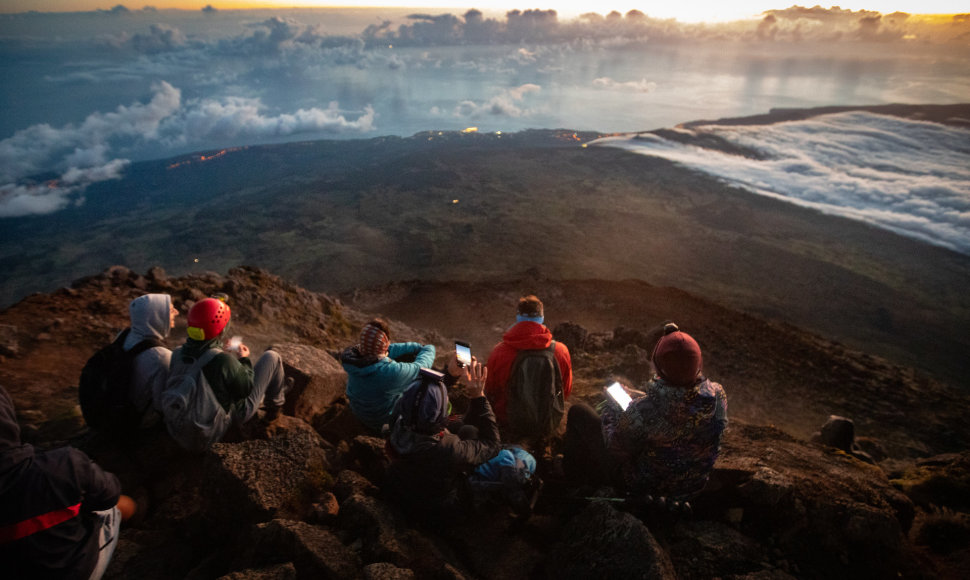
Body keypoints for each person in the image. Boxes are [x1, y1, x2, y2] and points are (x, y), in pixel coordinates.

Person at [563, 323, 728, 503]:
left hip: (645, 486)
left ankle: (574, 486)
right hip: (692, 486)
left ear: (659, 366)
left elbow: (616, 449)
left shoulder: (644, 411)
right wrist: (637, 397)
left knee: (578, 412)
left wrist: (613, 409)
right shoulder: (717, 395)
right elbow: (680, 400)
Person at [0, 385, 136, 579]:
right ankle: (138, 523)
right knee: (117, 506)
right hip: (72, 570)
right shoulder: (62, 464)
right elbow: (109, 494)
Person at [385, 355, 502, 520]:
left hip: (402, 485)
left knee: (465, 426)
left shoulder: (398, 419)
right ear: (441, 416)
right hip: (434, 509)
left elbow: (420, 399)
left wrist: (450, 375)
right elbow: (493, 445)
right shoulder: (448, 449)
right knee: (470, 432)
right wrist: (479, 397)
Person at [169, 297, 287, 430]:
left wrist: (217, 349)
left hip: (184, 420)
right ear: (222, 328)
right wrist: (243, 359)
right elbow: (246, 389)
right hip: (218, 422)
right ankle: (275, 408)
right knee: (272, 357)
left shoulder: (177, 353)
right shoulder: (224, 361)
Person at [484, 295, 573, 430]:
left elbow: (490, 390)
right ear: (541, 317)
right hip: (548, 421)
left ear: (518, 317)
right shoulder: (561, 351)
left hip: (508, 422)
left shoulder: (499, 352)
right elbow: (565, 390)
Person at [340, 319, 436, 432]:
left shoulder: (354, 360)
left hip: (361, 414)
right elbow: (421, 367)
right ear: (384, 347)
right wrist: (429, 348)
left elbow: (387, 350)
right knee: (423, 388)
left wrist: (414, 346)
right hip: (381, 422)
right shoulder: (390, 372)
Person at [126, 293, 178, 427]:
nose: (177, 313)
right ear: (156, 316)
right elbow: (162, 407)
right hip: (135, 423)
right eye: (172, 310)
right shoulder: (161, 358)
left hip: (116, 407)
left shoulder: (124, 337)